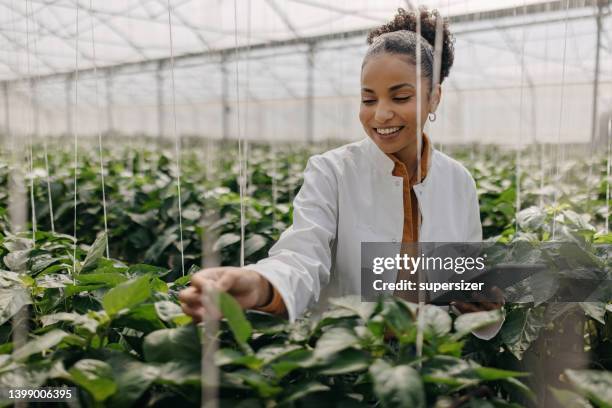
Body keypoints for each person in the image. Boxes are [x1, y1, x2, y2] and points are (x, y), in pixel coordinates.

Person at [179, 7, 504, 339]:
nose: (381, 114)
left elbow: (465, 278)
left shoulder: (458, 181)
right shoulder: (332, 171)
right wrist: (261, 285)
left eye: (401, 96)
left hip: (431, 365)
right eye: (368, 99)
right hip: (346, 363)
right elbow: (302, 256)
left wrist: (481, 303)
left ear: (434, 98)